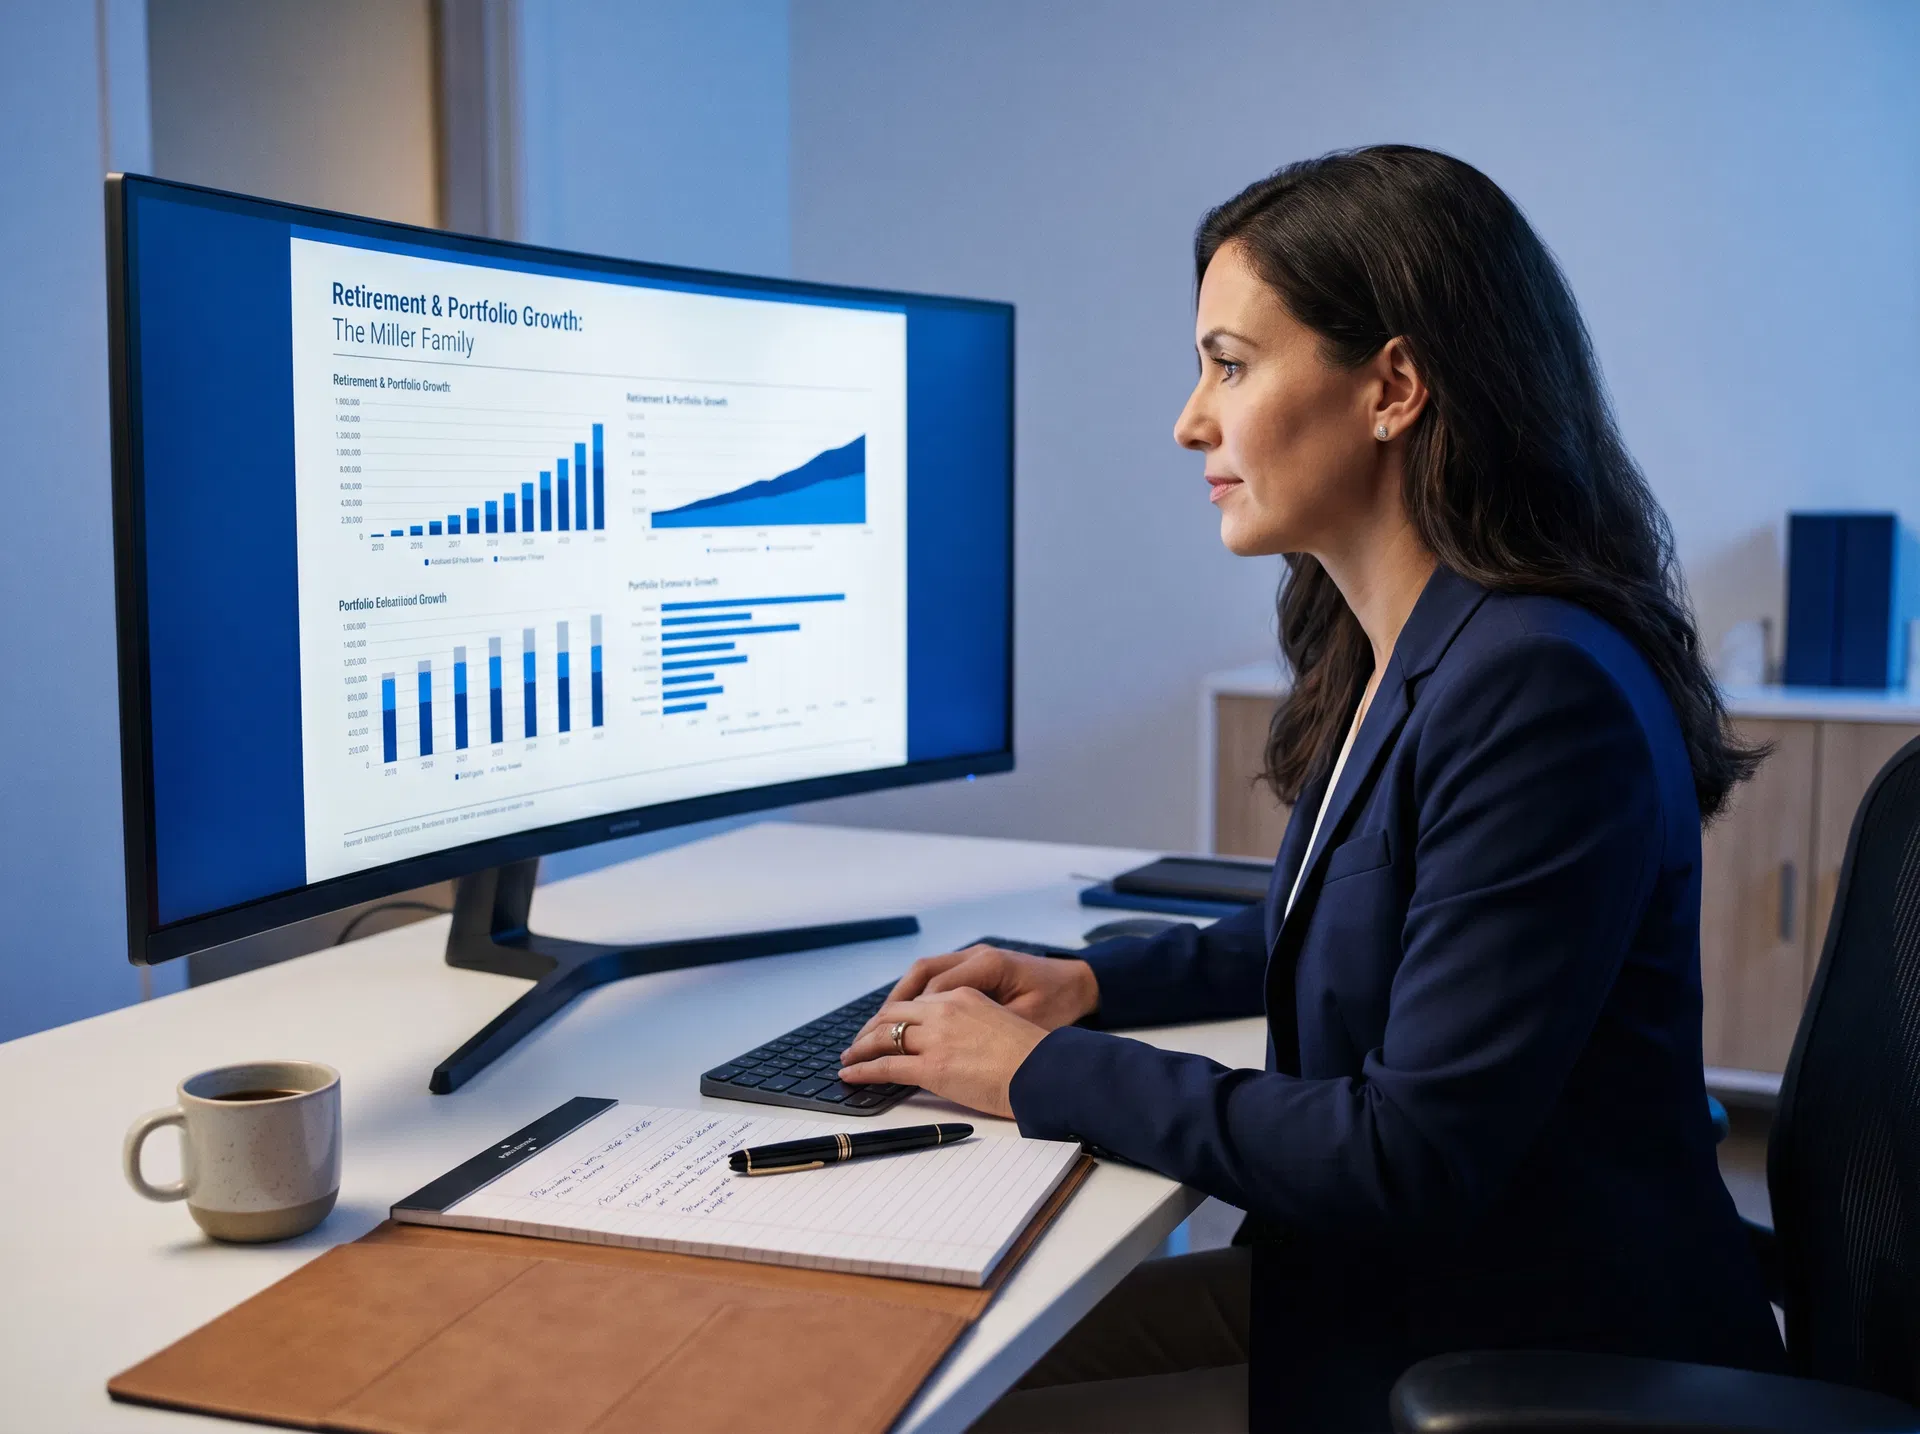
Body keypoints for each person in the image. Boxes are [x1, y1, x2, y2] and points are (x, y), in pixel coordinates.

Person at [837, 145, 1786, 1433]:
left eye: (1229, 365)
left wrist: (1037, 1070)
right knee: (929, 1362)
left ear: (1394, 385)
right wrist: (1099, 985)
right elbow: (1364, 923)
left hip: (1511, 1361)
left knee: (954, 1408)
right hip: (1385, 1303)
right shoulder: (1410, 643)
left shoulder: (1534, 687)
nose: (1190, 421)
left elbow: (1407, 1155)